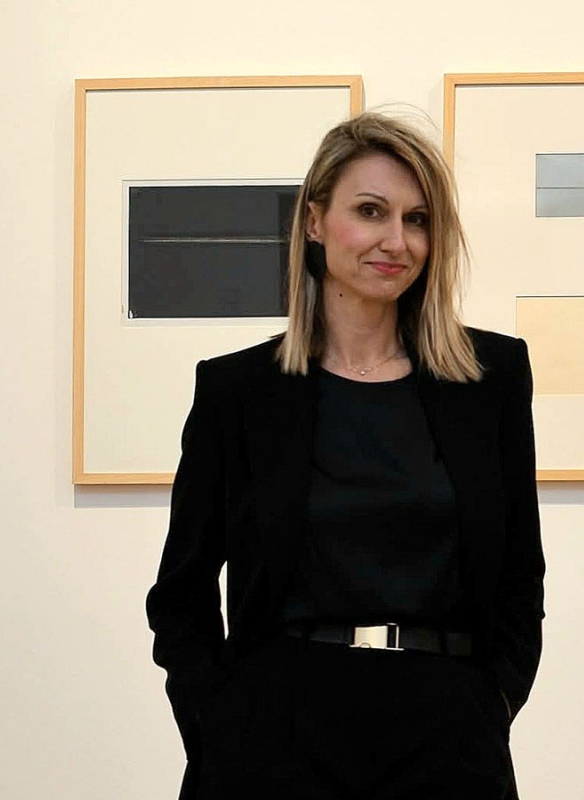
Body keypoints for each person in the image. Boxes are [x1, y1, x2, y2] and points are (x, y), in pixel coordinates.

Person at [145, 111, 545, 800]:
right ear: (314, 221)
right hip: (277, 737)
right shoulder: (238, 391)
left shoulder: (490, 378)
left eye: (417, 220)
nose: (397, 241)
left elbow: (519, 571)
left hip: (446, 737)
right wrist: (221, 725)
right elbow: (181, 593)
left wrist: (492, 705)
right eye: (370, 211)